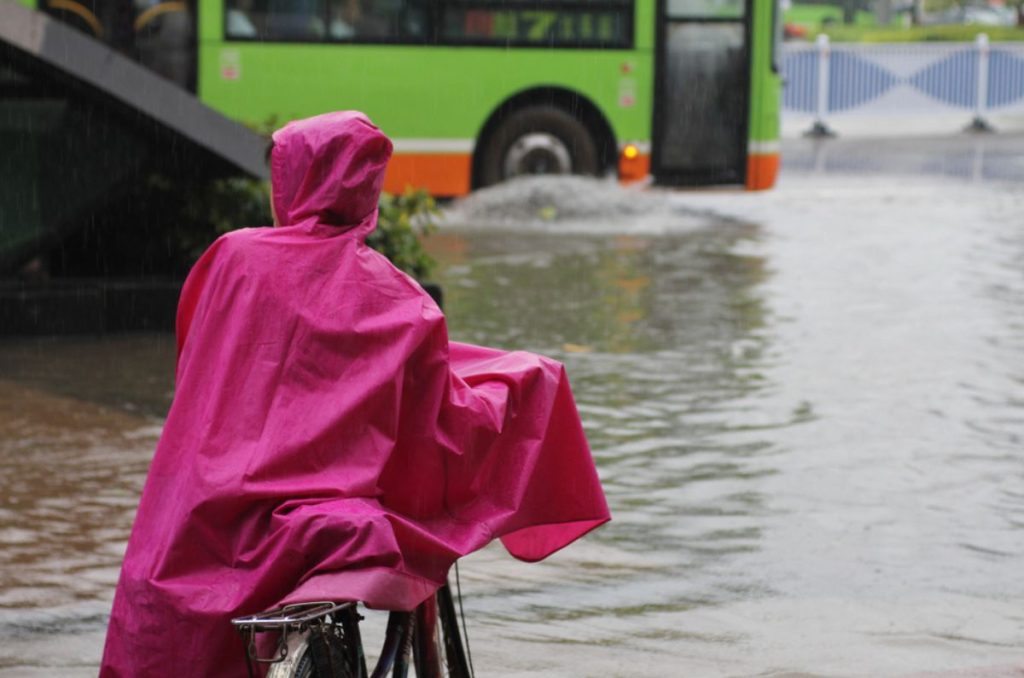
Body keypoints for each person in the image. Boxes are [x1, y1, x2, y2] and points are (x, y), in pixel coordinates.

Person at [99, 111, 610, 677]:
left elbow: (200, 374)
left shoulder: (232, 260)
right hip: (328, 523)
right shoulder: (398, 298)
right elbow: (432, 424)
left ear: (291, 183)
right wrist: (523, 390)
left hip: (207, 515)